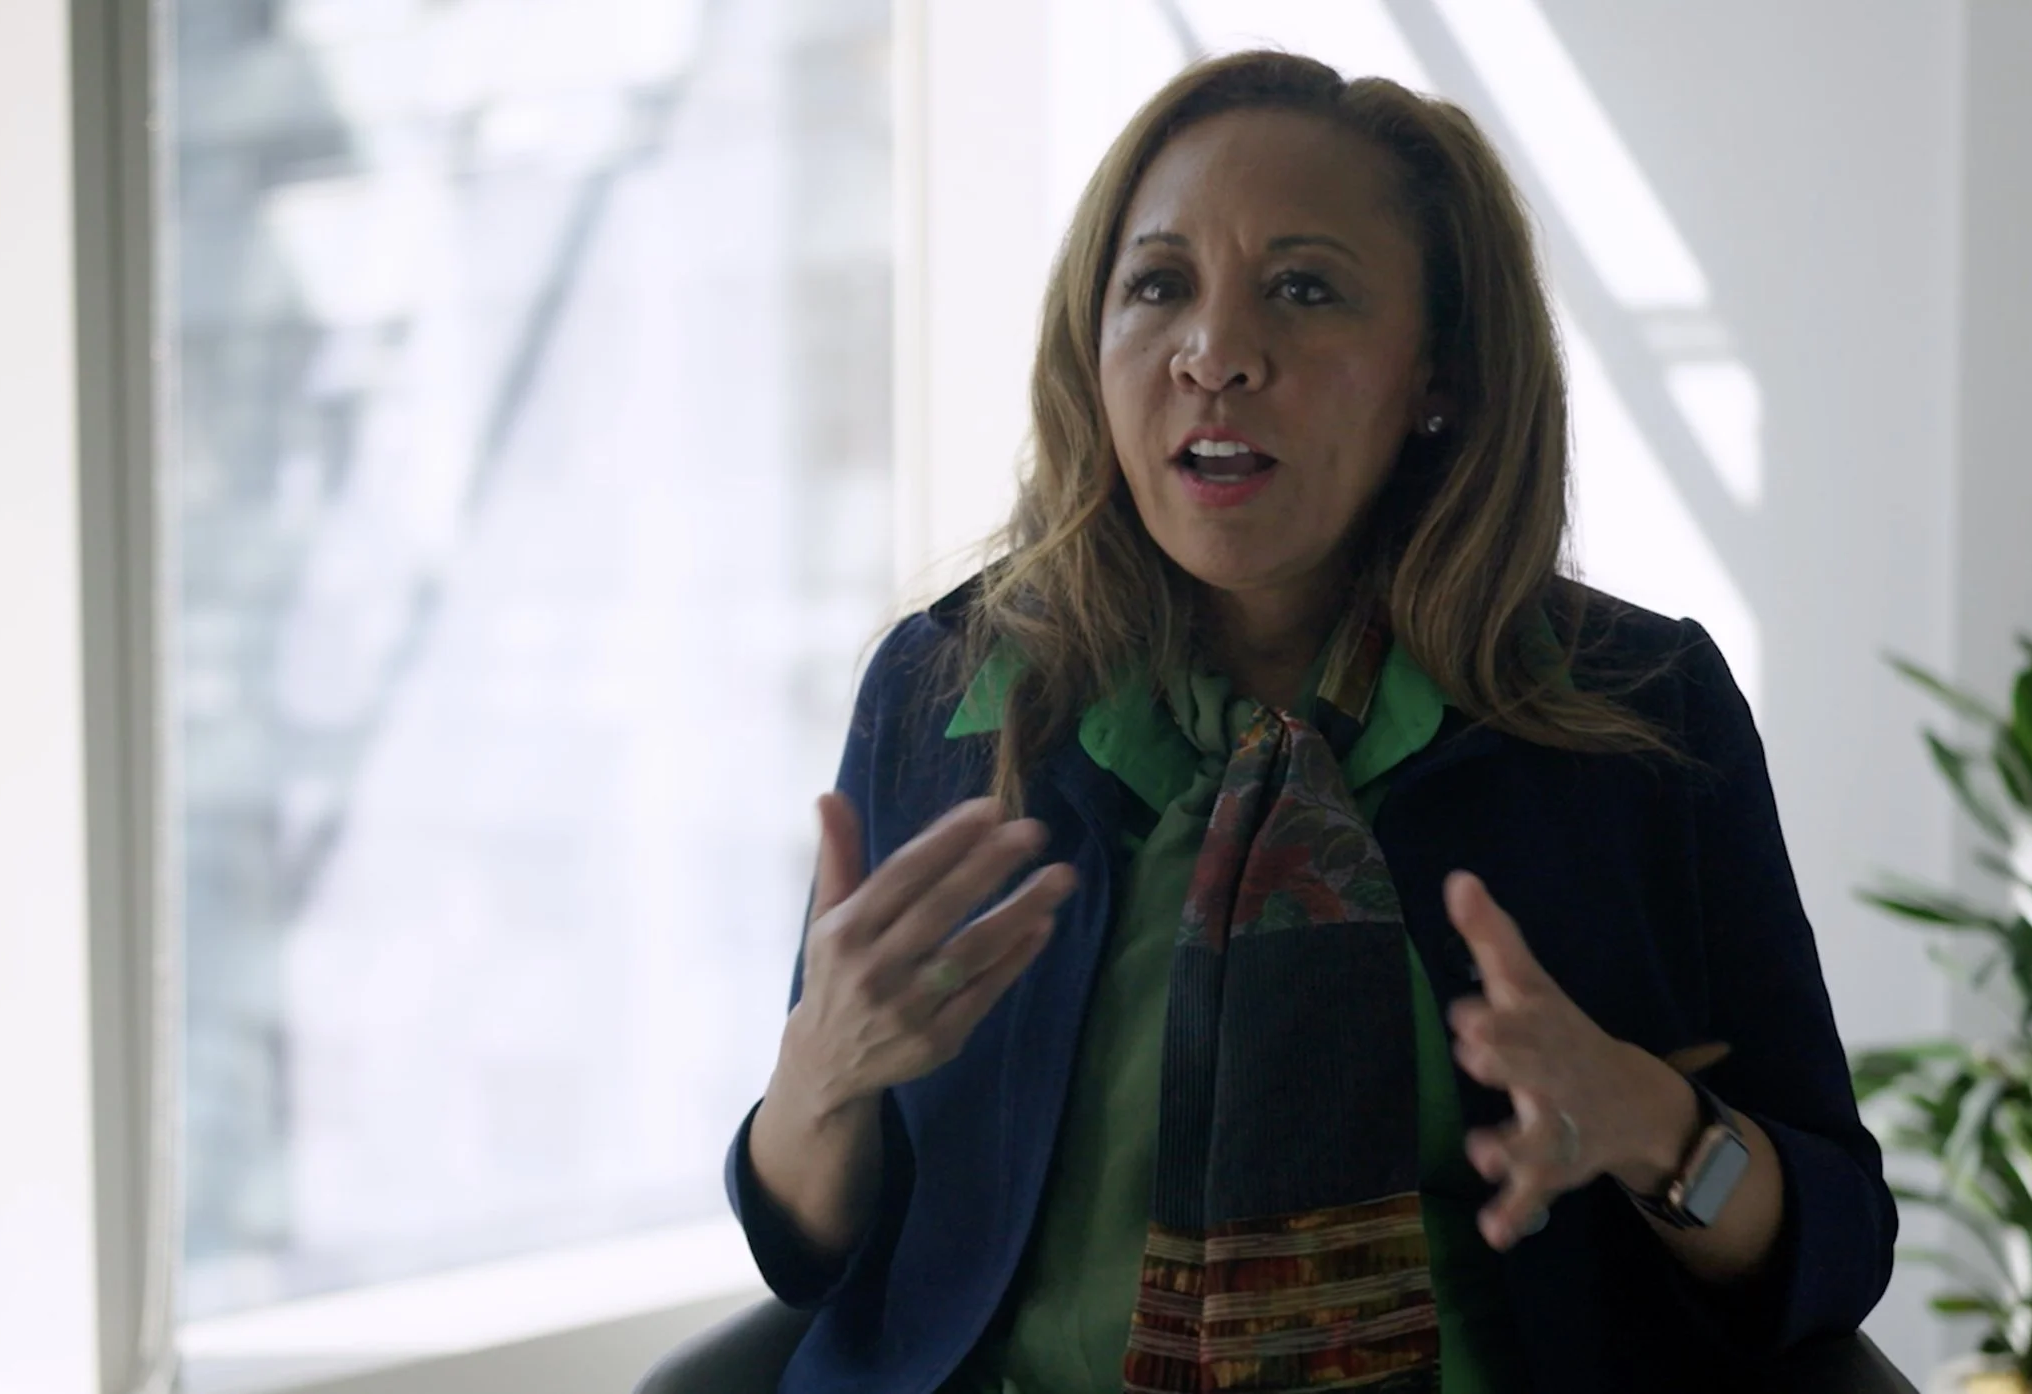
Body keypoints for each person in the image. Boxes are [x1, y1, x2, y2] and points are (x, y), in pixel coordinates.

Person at [726, 49, 1893, 1394]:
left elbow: (1834, 1242)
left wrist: (1658, 1126)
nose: (1217, 353)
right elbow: (807, 1250)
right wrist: (818, 1081)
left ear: (1436, 377)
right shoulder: (950, 694)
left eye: (1303, 288)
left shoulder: (1636, 717)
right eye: (1158, 286)